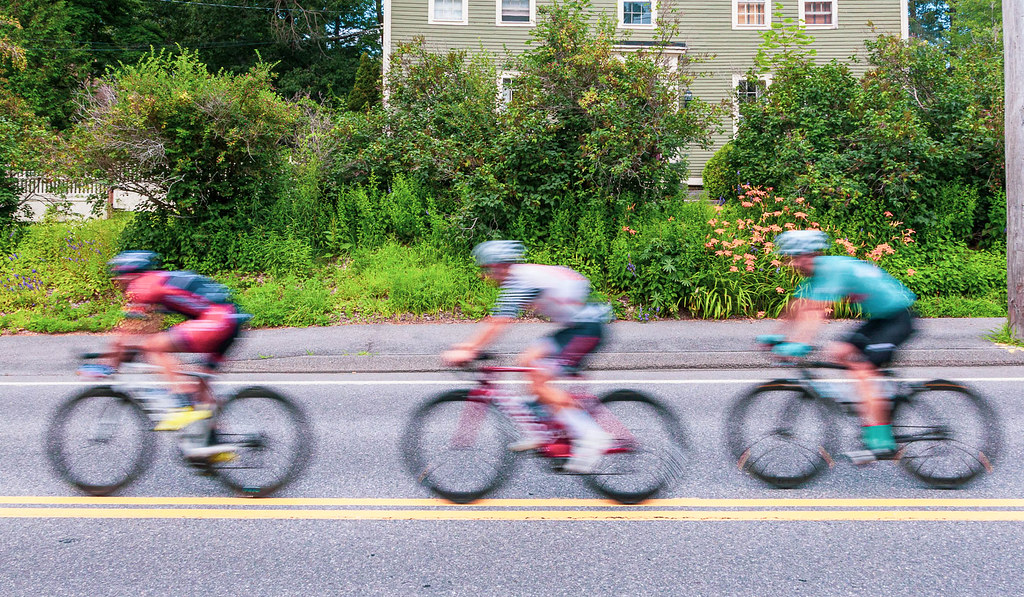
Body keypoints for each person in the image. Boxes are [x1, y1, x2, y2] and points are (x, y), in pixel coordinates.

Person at [443, 240, 614, 473]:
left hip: (588, 327)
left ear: (500, 266)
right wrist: (470, 345)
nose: (486, 275)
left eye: (487, 269)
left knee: (540, 378)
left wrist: (469, 349)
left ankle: (593, 436)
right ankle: (542, 429)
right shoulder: (520, 277)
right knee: (527, 361)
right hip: (577, 325)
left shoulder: (520, 280)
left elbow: (499, 322)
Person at [764, 230, 917, 463]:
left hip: (898, 317)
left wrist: (800, 344)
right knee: (839, 351)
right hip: (879, 318)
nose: (791, 263)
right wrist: (776, 336)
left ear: (807, 255)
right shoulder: (820, 272)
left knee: (863, 369)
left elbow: (816, 311)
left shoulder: (831, 271)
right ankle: (877, 398)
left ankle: (880, 440)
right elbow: (799, 308)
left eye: (794, 257)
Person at [103, 250, 247, 460]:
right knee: (200, 386)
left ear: (129, 273)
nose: (117, 283)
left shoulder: (143, 284)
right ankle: (214, 443)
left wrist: (106, 364)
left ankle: (181, 404)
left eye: (118, 277)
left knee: (153, 347)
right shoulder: (160, 280)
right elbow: (144, 329)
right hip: (231, 320)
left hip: (218, 319)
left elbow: (125, 333)